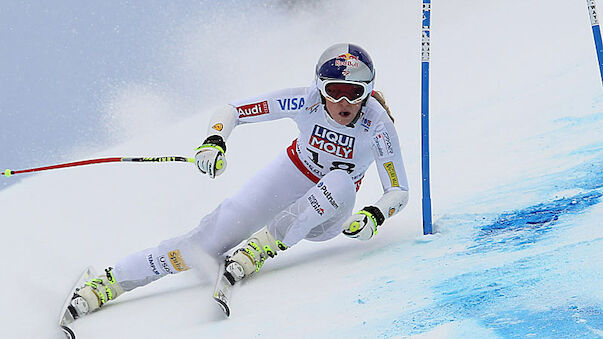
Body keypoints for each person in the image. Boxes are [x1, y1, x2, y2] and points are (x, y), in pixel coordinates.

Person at [67, 43, 409, 318]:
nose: (344, 102)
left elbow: (398, 190)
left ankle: (257, 250)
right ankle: (110, 283)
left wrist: (374, 216)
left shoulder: (378, 126)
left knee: (339, 182)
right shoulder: (305, 101)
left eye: (354, 92)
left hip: (328, 213)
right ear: (320, 89)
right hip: (289, 176)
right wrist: (215, 140)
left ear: (368, 91)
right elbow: (233, 110)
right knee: (205, 241)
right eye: (335, 90)